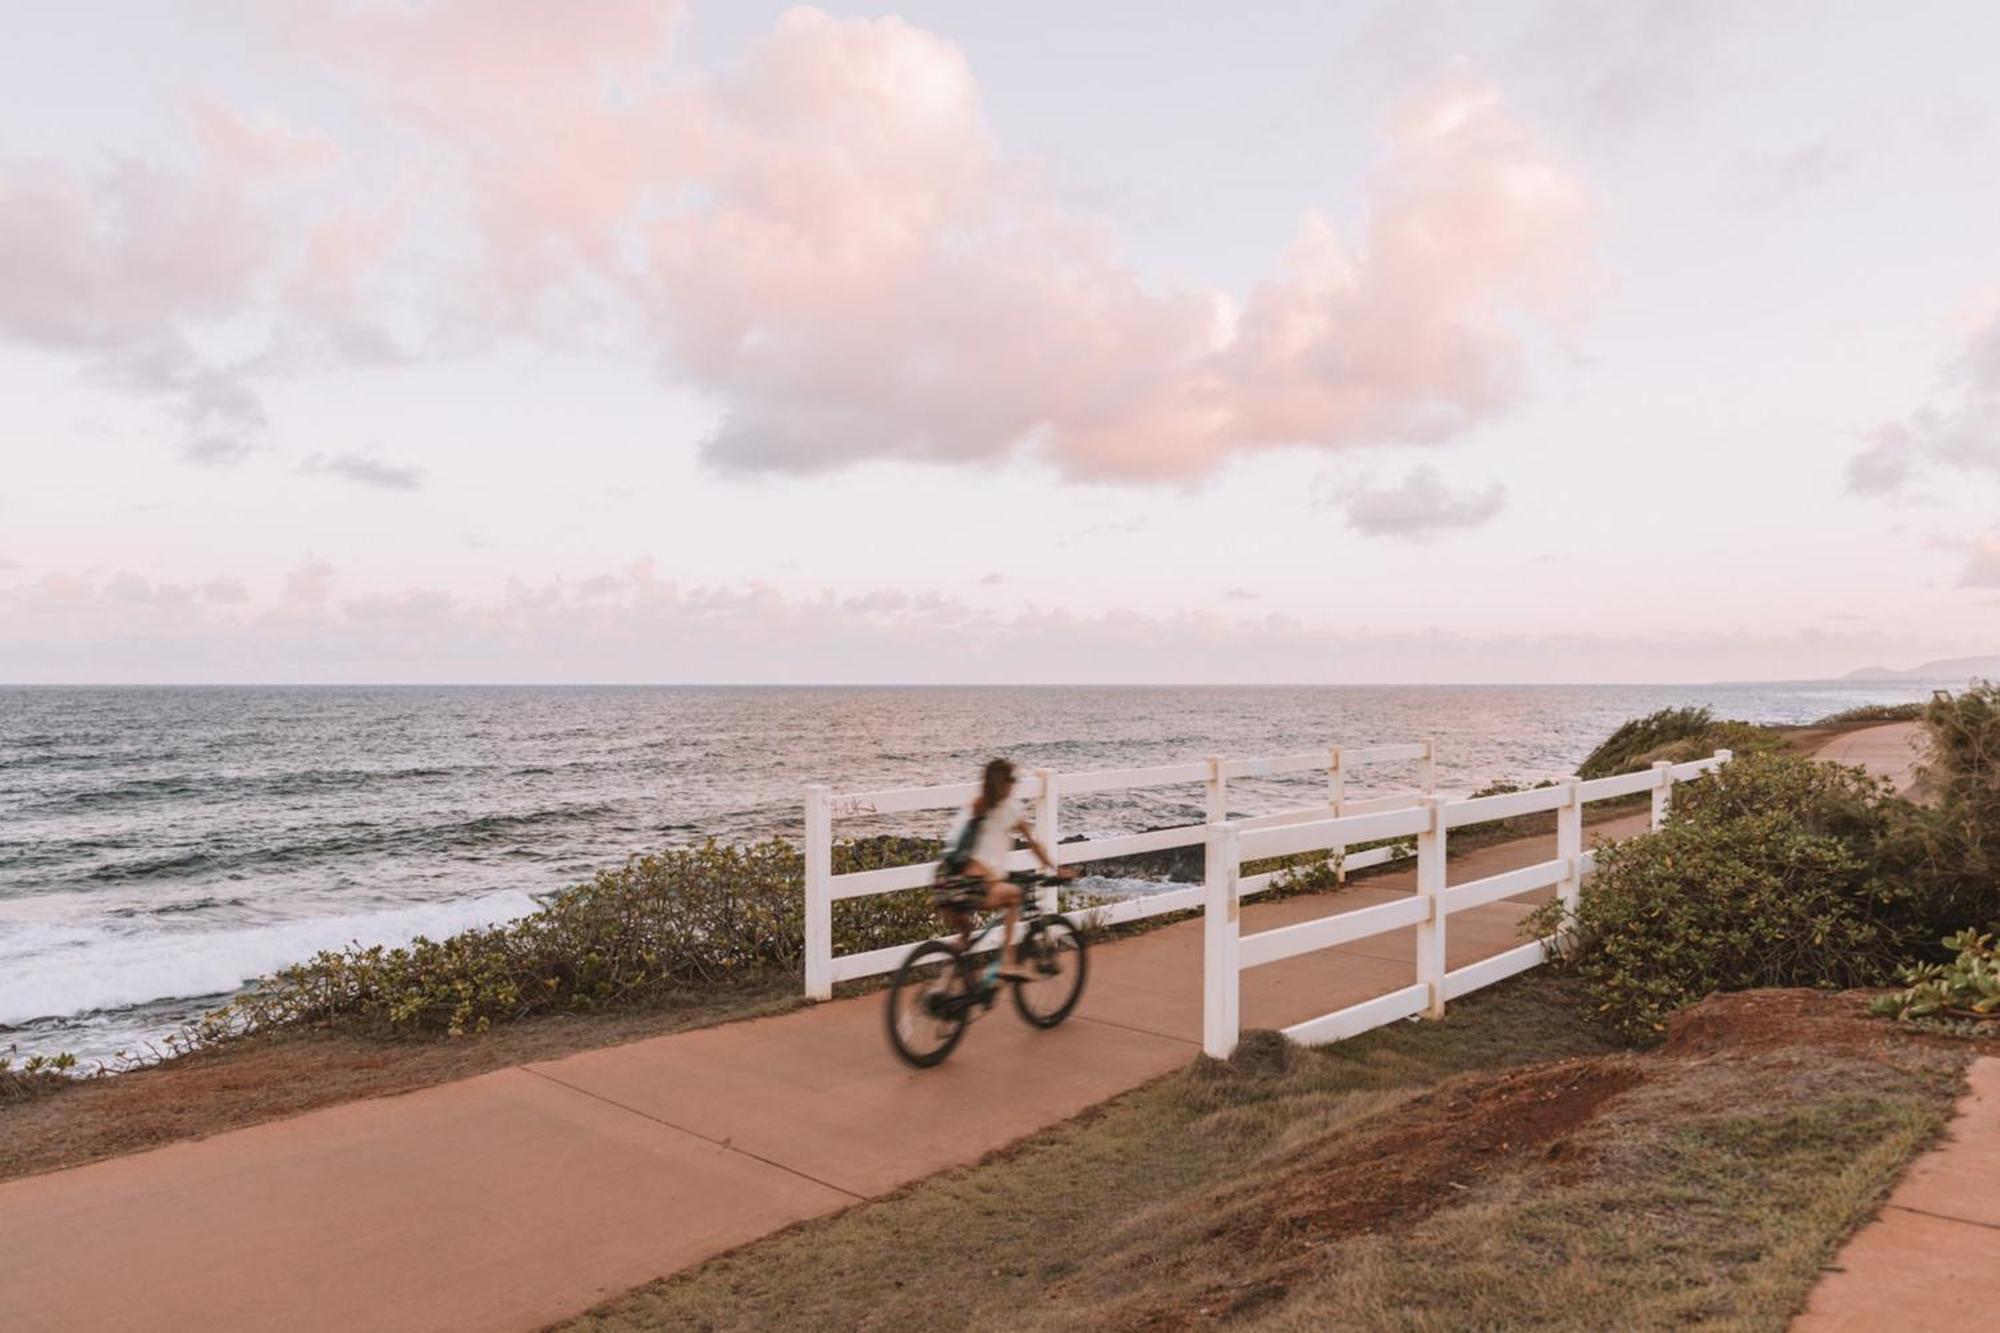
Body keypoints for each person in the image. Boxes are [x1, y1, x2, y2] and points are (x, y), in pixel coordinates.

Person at [941, 757, 1070, 983]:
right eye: (1014, 780)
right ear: (1007, 784)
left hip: (944, 884)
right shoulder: (1009, 808)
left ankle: (942, 986)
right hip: (972, 886)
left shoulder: (974, 805)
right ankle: (1008, 964)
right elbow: (1034, 845)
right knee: (1015, 897)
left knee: (965, 937)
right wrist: (1055, 869)